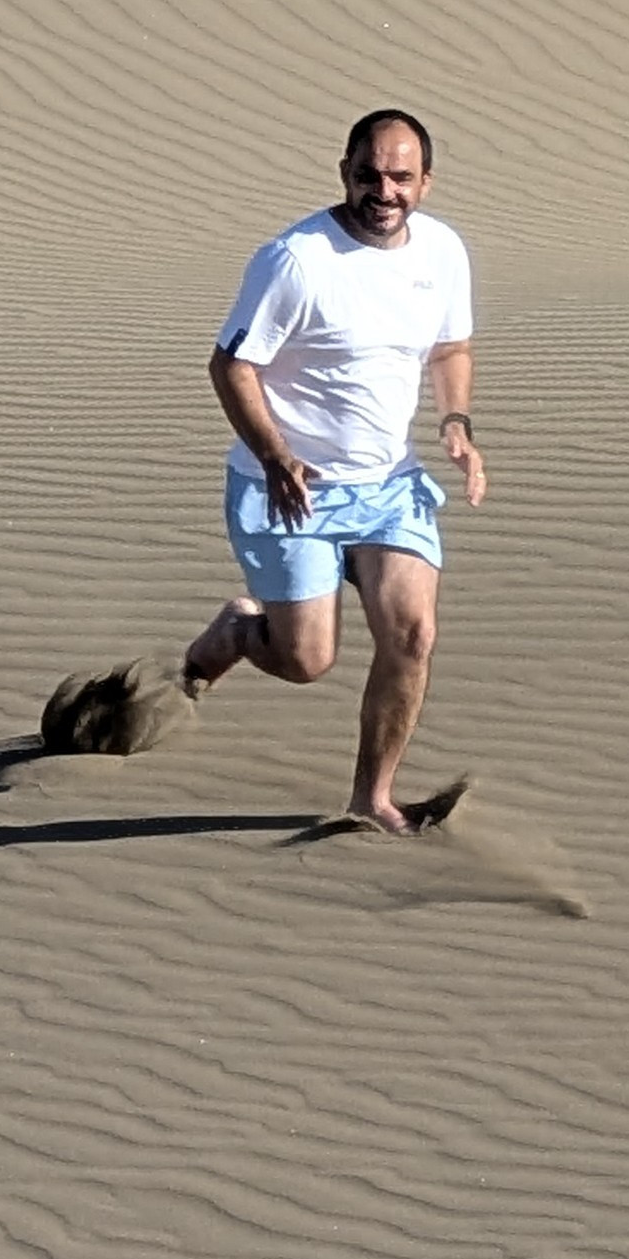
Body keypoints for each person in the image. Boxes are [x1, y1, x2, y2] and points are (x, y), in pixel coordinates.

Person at [180, 109, 485, 832]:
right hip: (291, 490)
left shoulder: (442, 251)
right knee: (306, 660)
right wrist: (274, 453)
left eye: (401, 177)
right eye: (368, 175)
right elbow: (231, 366)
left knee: (412, 636)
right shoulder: (295, 261)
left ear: (427, 182)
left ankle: (371, 799)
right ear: (344, 173)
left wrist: (456, 423)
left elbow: (449, 350)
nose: (384, 191)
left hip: (389, 486)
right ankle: (238, 633)